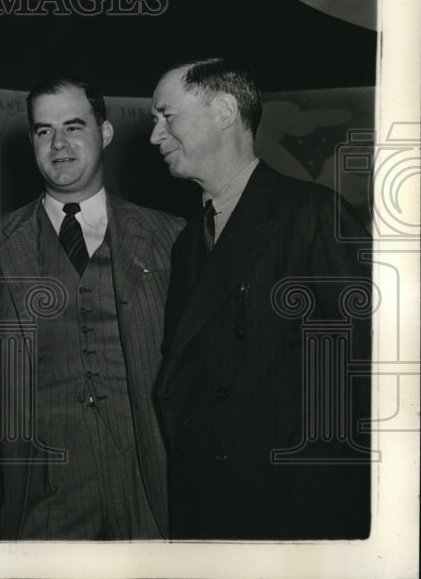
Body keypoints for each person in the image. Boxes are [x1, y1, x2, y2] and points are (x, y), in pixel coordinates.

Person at [149, 57, 372, 539]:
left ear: (225, 110)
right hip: (212, 511)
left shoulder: (316, 215)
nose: (154, 136)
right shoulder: (189, 241)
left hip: (298, 513)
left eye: (167, 117)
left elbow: (372, 378)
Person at [0, 76, 184, 539]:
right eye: (43, 131)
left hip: (154, 487)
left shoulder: (172, 236)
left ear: (104, 133)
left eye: (73, 127)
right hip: (43, 493)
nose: (58, 144)